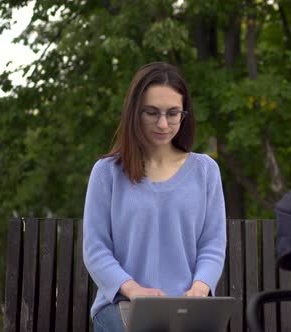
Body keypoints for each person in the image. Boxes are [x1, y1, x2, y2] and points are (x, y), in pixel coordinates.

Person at [83, 62, 227, 332]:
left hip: (186, 309)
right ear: (134, 113)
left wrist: (200, 288)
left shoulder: (206, 171)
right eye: (152, 113)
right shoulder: (107, 173)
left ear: (184, 115)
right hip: (122, 306)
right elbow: (96, 250)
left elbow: (212, 244)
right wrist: (135, 290)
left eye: (173, 113)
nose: (163, 123)